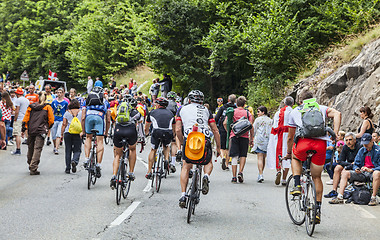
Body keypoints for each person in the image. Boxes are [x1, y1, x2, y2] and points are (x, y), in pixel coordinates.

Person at [286, 91, 341, 223]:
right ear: (313, 99)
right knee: (316, 177)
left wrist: (289, 152)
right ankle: (317, 211)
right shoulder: (320, 108)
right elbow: (337, 114)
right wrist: (336, 133)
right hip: (320, 145)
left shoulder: (294, 111)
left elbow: (290, 137)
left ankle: (297, 185)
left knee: (295, 157)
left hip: (303, 143)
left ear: (300, 101)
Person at [176, 90, 221, 208]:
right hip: (203, 138)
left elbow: (177, 129)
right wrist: (219, 147)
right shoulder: (206, 110)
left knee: (186, 166)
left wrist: (181, 143)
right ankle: (206, 176)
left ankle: (183, 194)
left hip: (189, 137)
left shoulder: (181, 109)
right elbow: (215, 130)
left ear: (189, 100)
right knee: (208, 161)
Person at [329, 133, 380, 206]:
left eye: (367, 143)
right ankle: (340, 197)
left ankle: (373, 198)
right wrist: (356, 168)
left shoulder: (378, 150)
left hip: (373, 173)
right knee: (345, 173)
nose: (365, 145)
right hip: (362, 173)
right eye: (364, 144)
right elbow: (356, 163)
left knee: (377, 173)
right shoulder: (362, 150)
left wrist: (372, 170)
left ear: (372, 141)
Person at [110, 99, 142, 188]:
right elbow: (140, 124)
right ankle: (131, 172)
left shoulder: (119, 111)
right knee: (132, 149)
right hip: (130, 131)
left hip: (118, 130)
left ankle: (114, 176)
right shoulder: (135, 112)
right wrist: (142, 137)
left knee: (117, 155)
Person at [22, 91, 54, 175]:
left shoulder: (31, 107)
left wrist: (24, 127)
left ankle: (30, 162)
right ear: (46, 98)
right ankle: (33, 167)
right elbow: (51, 120)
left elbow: (26, 119)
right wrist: (48, 127)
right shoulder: (47, 107)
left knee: (30, 147)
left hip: (31, 129)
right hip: (41, 130)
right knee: (38, 148)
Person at [223, 96, 253, 183]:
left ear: (236, 104)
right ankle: (240, 172)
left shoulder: (232, 112)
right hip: (245, 136)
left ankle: (234, 177)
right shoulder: (248, 113)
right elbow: (251, 126)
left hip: (234, 136)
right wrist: (251, 138)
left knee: (234, 156)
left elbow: (225, 123)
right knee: (243, 155)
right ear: (244, 104)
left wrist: (229, 131)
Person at [82, 87, 111, 178]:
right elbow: (108, 119)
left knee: (88, 138)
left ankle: (86, 159)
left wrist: (83, 131)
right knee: (100, 141)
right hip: (99, 118)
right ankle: (98, 164)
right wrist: (106, 132)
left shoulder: (87, 100)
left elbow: (83, 117)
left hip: (89, 117)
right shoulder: (105, 102)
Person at [144, 97, 175, 179]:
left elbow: (146, 126)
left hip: (157, 132)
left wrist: (146, 134)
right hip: (168, 132)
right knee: (166, 146)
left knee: (153, 150)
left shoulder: (152, 112)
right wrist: (174, 135)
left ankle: (149, 171)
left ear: (158, 105)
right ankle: (166, 159)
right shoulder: (171, 113)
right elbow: (174, 127)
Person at [324, 132, 360, 198]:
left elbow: (359, 161)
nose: (348, 142)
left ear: (355, 140)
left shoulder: (359, 147)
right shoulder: (345, 147)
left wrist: (351, 165)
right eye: (346, 140)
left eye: (350, 140)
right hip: (349, 164)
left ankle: (342, 193)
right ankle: (334, 191)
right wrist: (349, 164)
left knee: (344, 170)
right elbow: (340, 161)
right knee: (337, 168)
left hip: (357, 166)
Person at [267, 96, 294, 185]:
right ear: (292, 104)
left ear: (284, 103)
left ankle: (278, 170)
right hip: (289, 134)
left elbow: (274, 126)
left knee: (278, 153)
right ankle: (284, 178)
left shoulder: (278, 113)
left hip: (278, 135)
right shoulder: (293, 112)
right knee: (288, 154)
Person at [215, 94, 237, 170]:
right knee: (228, 147)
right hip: (232, 129)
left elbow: (217, 117)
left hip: (222, 127)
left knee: (222, 146)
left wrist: (216, 127)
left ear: (228, 100)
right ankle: (227, 164)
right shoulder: (236, 108)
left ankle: (223, 157)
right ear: (235, 101)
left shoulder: (223, 107)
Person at [61, 99, 83, 174]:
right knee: (77, 149)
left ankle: (67, 168)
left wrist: (61, 133)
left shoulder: (67, 112)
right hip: (77, 133)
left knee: (68, 150)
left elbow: (64, 124)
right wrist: (83, 131)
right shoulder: (81, 112)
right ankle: (74, 161)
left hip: (68, 132)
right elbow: (83, 121)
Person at [252, 106, 272, 182]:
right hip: (268, 140)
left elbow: (254, 129)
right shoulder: (270, 120)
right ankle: (261, 173)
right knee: (263, 158)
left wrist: (252, 138)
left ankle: (260, 174)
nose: (257, 113)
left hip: (260, 140)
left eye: (258, 111)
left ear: (263, 112)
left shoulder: (258, 120)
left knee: (260, 158)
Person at [11, 88, 30, 155]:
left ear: (17, 94)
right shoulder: (27, 100)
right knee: (26, 132)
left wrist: (15, 119)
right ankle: (30, 149)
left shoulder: (18, 100)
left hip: (19, 118)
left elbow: (17, 111)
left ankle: (18, 149)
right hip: (25, 118)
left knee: (17, 134)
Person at [51, 88, 69, 155]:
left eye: (60, 92)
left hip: (61, 120)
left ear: (63, 93)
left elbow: (67, 112)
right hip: (54, 119)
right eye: (58, 92)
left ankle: (56, 148)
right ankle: (55, 145)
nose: (59, 94)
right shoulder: (54, 102)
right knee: (53, 135)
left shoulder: (65, 103)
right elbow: (51, 110)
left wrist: (66, 121)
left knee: (58, 134)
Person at [167, 91, 179, 172]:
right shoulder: (178, 105)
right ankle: (173, 163)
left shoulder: (164, 103)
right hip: (173, 124)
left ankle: (162, 159)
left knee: (164, 143)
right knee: (173, 142)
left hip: (163, 124)